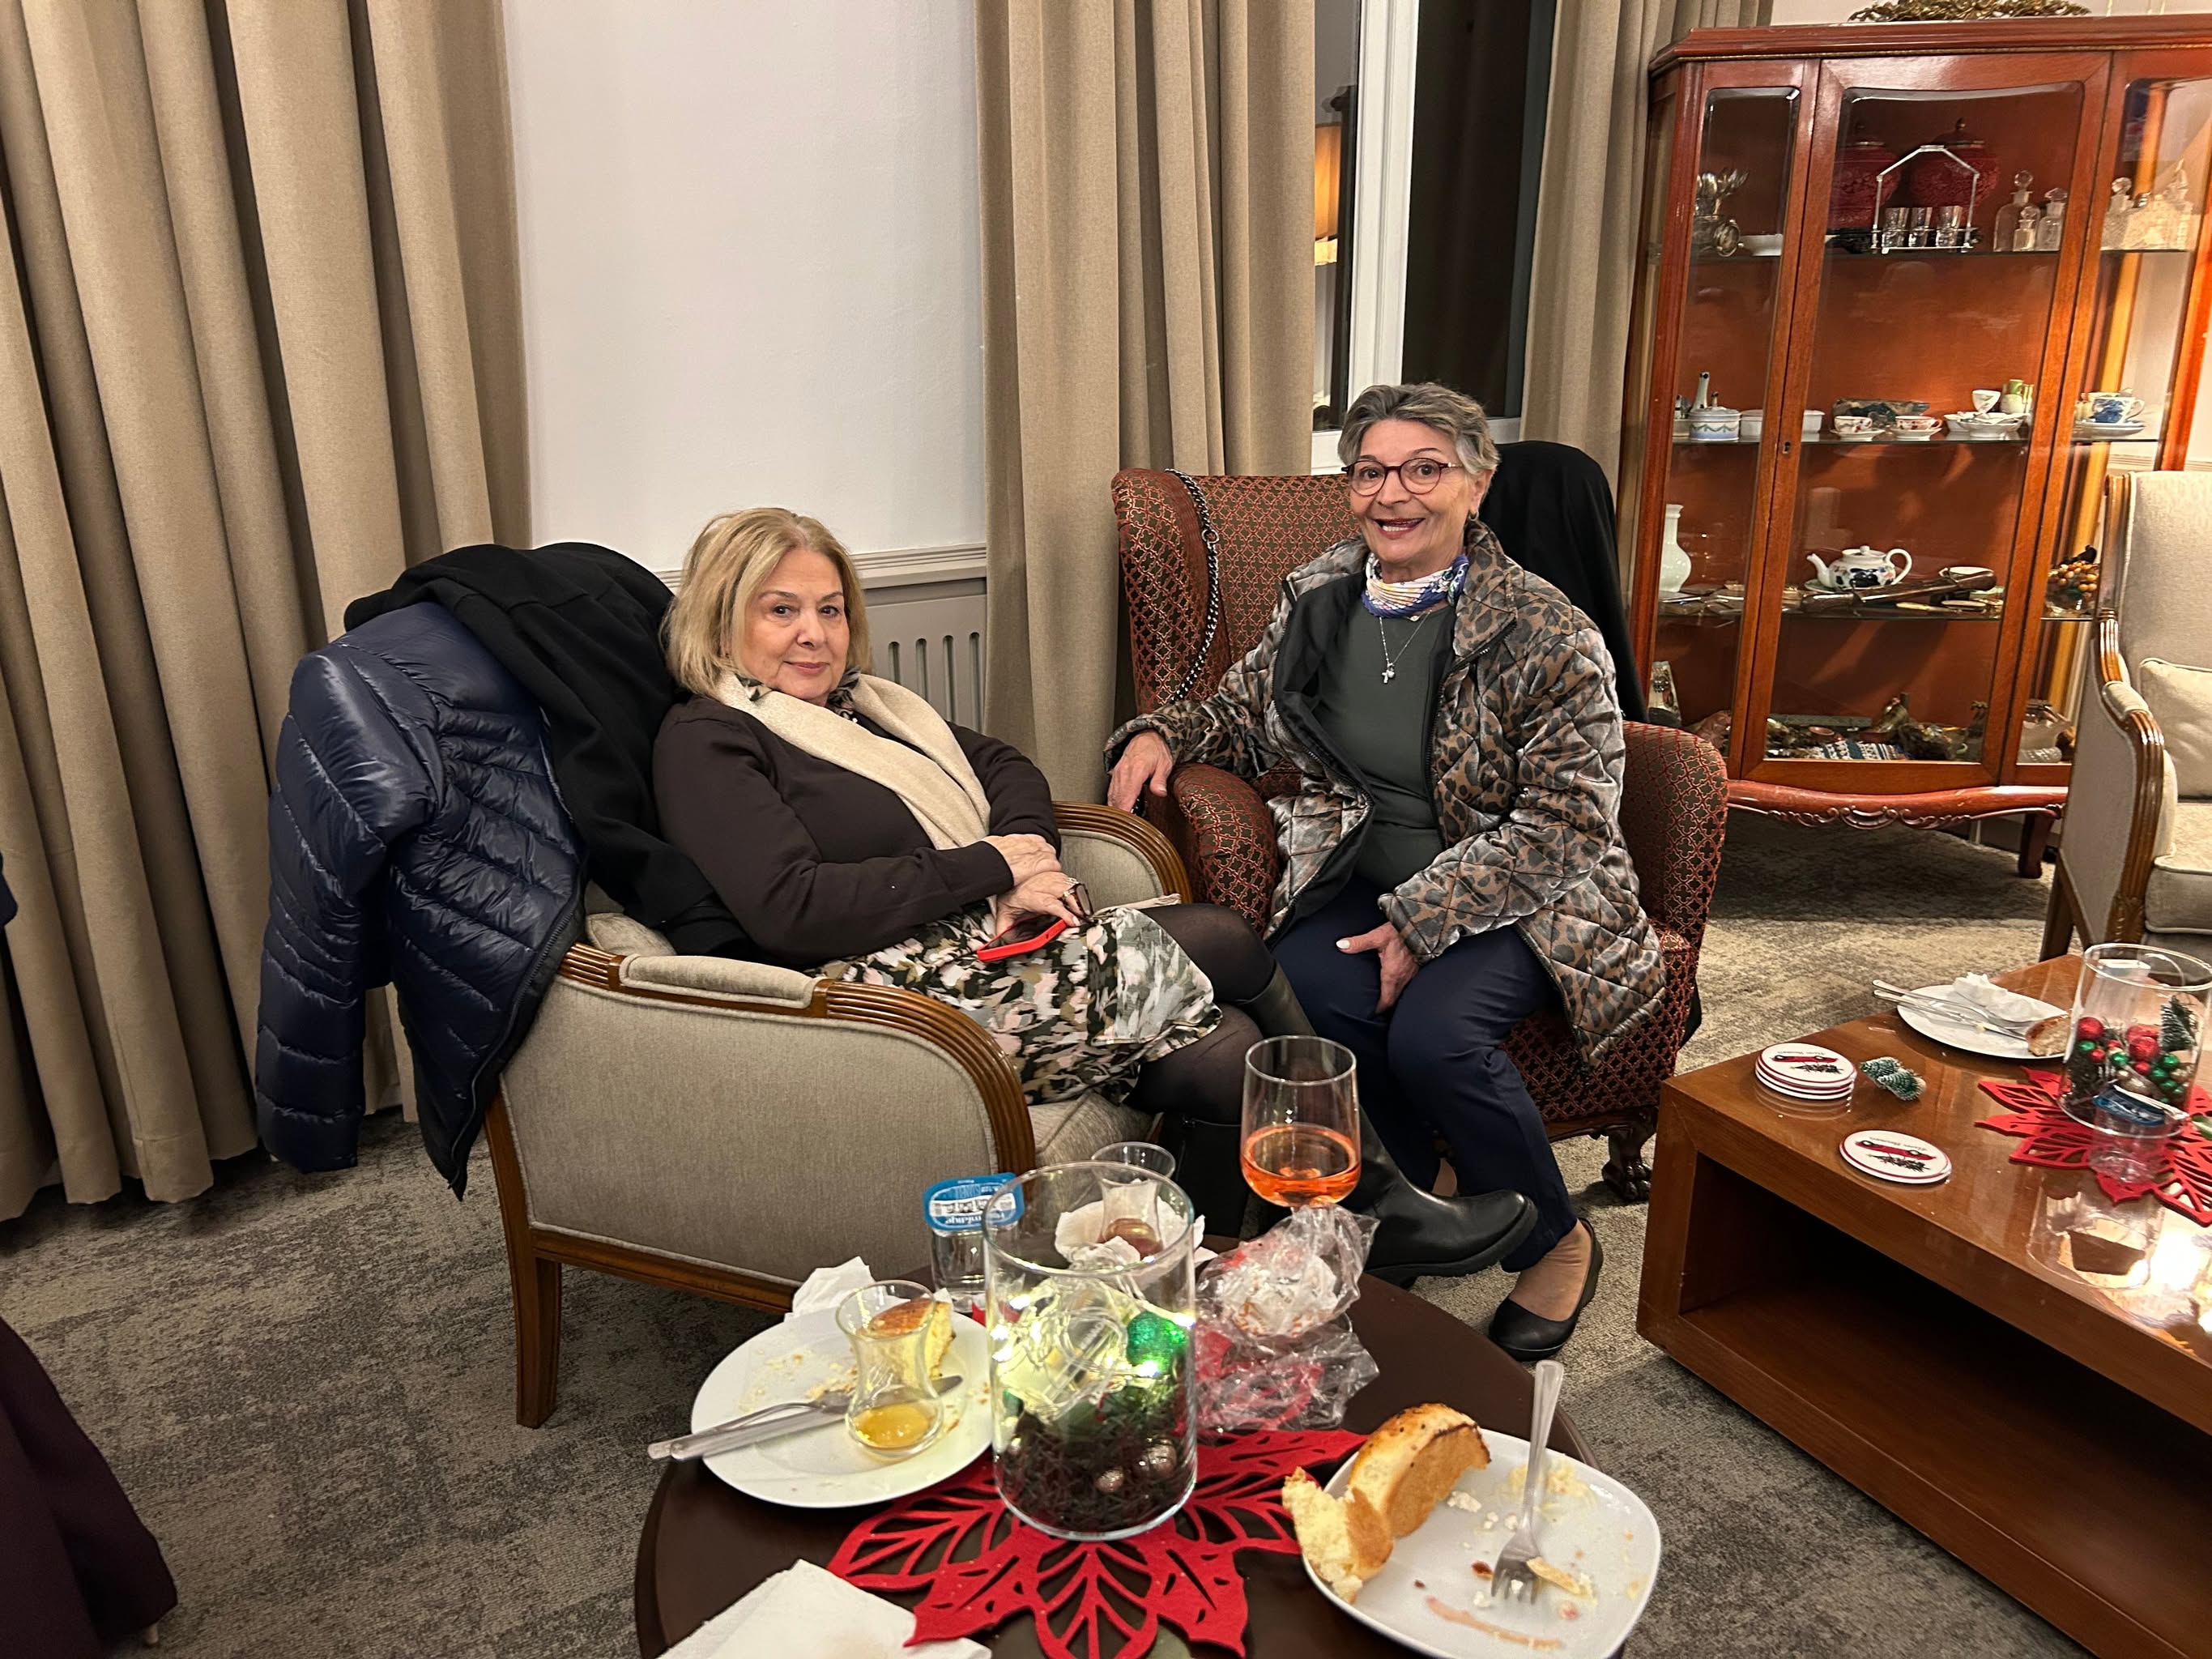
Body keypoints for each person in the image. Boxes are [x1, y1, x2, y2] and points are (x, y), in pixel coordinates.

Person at [652, 507, 1532, 1278]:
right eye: (781, 610)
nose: (814, 634)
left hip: (970, 942)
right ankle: (1374, 1197)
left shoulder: (870, 709)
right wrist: (992, 866)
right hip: (888, 997)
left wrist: (1028, 857)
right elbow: (793, 907)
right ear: (723, 621)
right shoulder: (712, 739)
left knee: (1222, 1039)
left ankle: (1220, 1261)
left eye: (830, 608)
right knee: (1219, 941)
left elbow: (1004, 765)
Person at [1107, 382, 1665, 1359]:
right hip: (1364, 874)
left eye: (1423, 469)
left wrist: (1423, 915)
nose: (1391, 494)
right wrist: (1162, 731)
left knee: (1436, 1036)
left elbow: (1569, 823)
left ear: (1476, 484)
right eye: (1369, 471)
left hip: (1529, 895)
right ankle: (1405, 1198)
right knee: (1305, 998)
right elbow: (1244, 713)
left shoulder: (1543, 629)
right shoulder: (1321, 594)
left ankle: (1555, 1239)